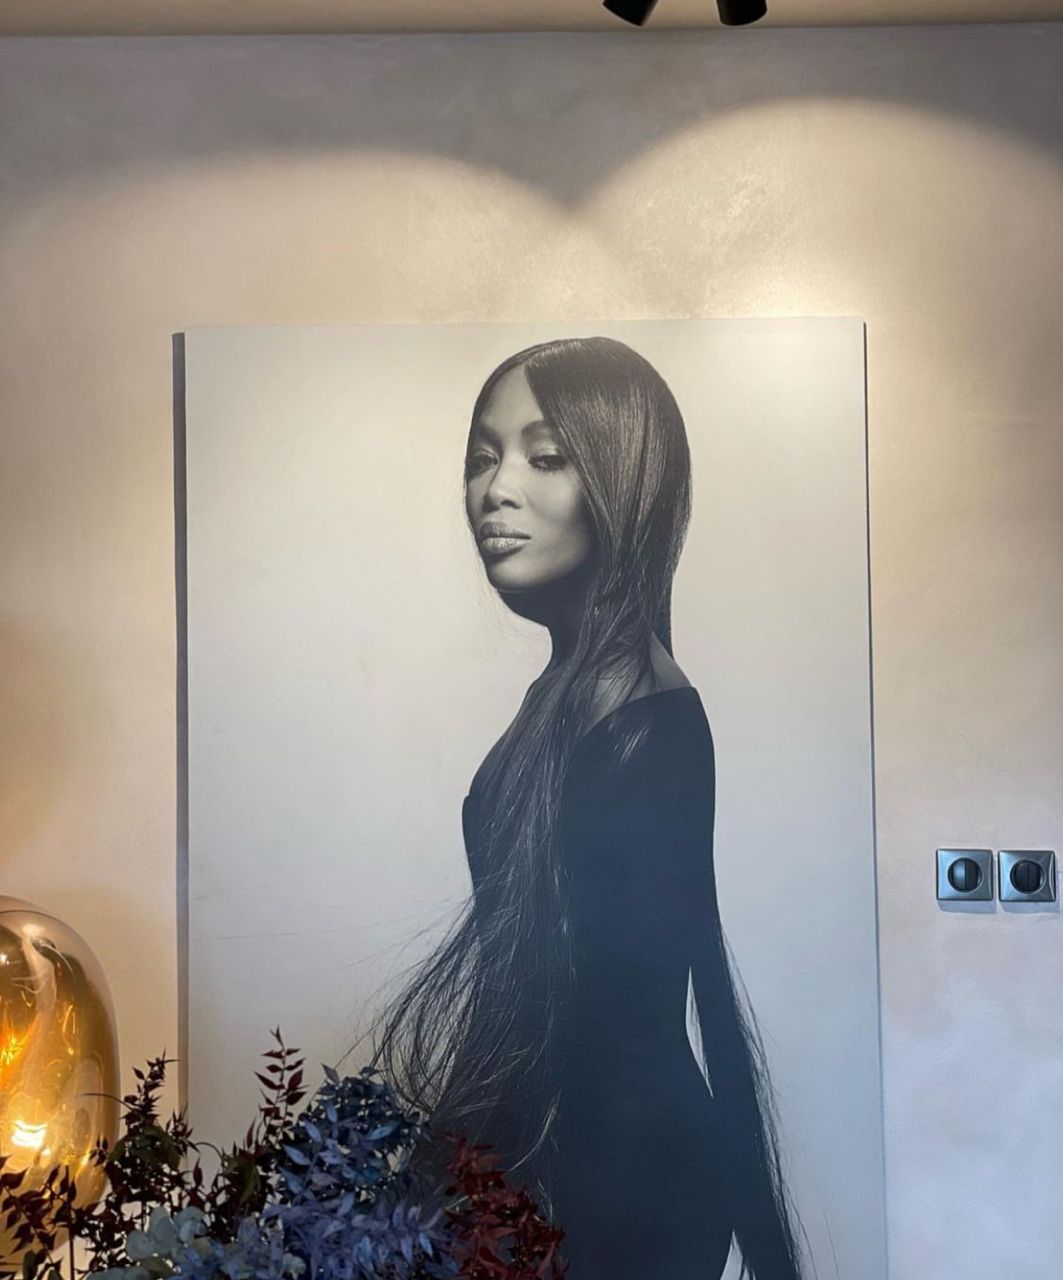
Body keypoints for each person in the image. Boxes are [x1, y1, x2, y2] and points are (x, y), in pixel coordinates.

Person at [375, 337, 803, 1279]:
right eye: (482, 457)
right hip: (580, 1157)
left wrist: (450, 1181)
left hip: (620, 1176)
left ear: (624, 479)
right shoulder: (574, 695)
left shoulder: (638, 720)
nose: (495, 490)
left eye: (545, 456)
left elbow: (594, 1012)